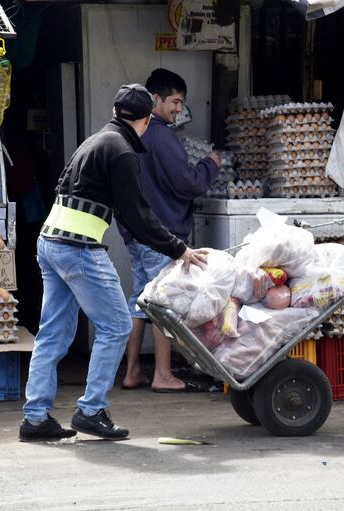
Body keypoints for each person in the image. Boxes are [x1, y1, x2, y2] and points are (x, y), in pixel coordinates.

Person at [19, 84, 207, 442]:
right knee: (117, 326)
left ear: (117, 112)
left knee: (53, 334)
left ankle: (35, 418)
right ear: (147, 119)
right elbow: (137, 213)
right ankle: (91, 410)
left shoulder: (95, 141)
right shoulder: (121, 151)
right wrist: (178, 249)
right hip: (78, 248)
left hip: (50, 243)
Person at [118, 69, 220, 392]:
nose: (178, 109)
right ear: (156, 100)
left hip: (134, 233)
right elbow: (187, 183)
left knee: (139, 299)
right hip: (160, 235)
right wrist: (211, 164)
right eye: (175, 101)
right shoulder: (161, 136)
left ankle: (132, 371)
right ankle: (163, 374)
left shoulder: (131, 134)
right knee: (163, 301)